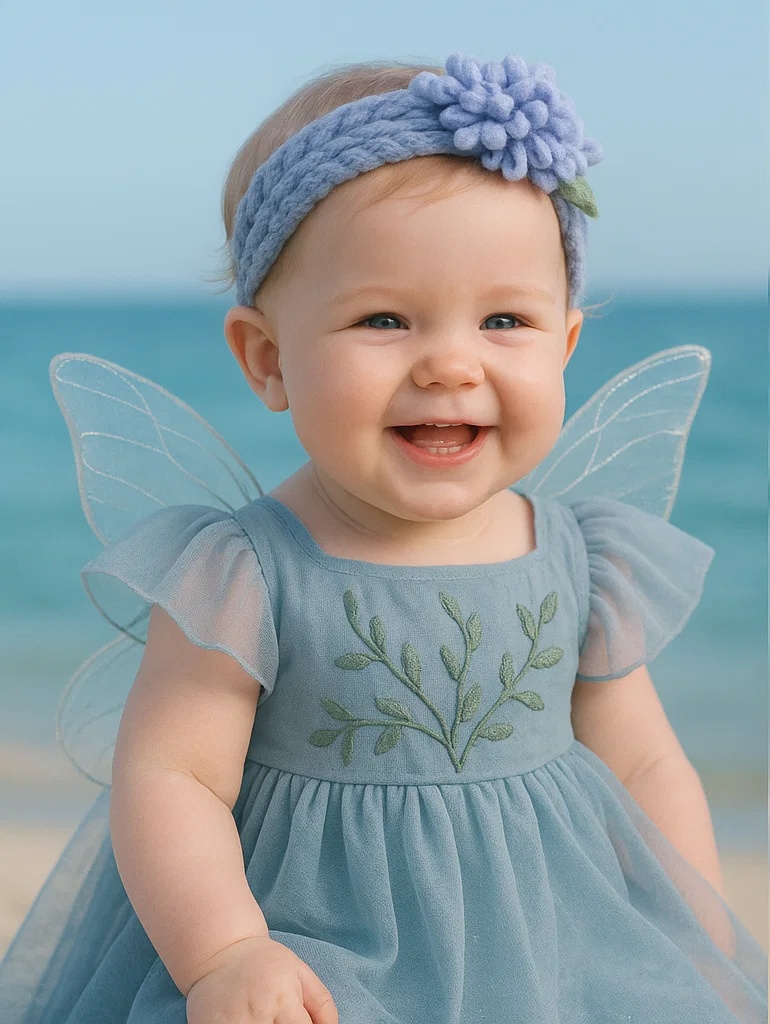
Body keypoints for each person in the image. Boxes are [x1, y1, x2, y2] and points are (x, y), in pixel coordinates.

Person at [0, 52, 766, 1023]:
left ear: (565, 342)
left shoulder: (582, 558)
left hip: (554, 946)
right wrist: (226, 952)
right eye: (383, 319)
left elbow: (644, 766)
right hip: (316, 949)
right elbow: (171, 776)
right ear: (267, 358)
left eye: (502, 318)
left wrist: (693, 940)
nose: (449, 362)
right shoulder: (245, 570)